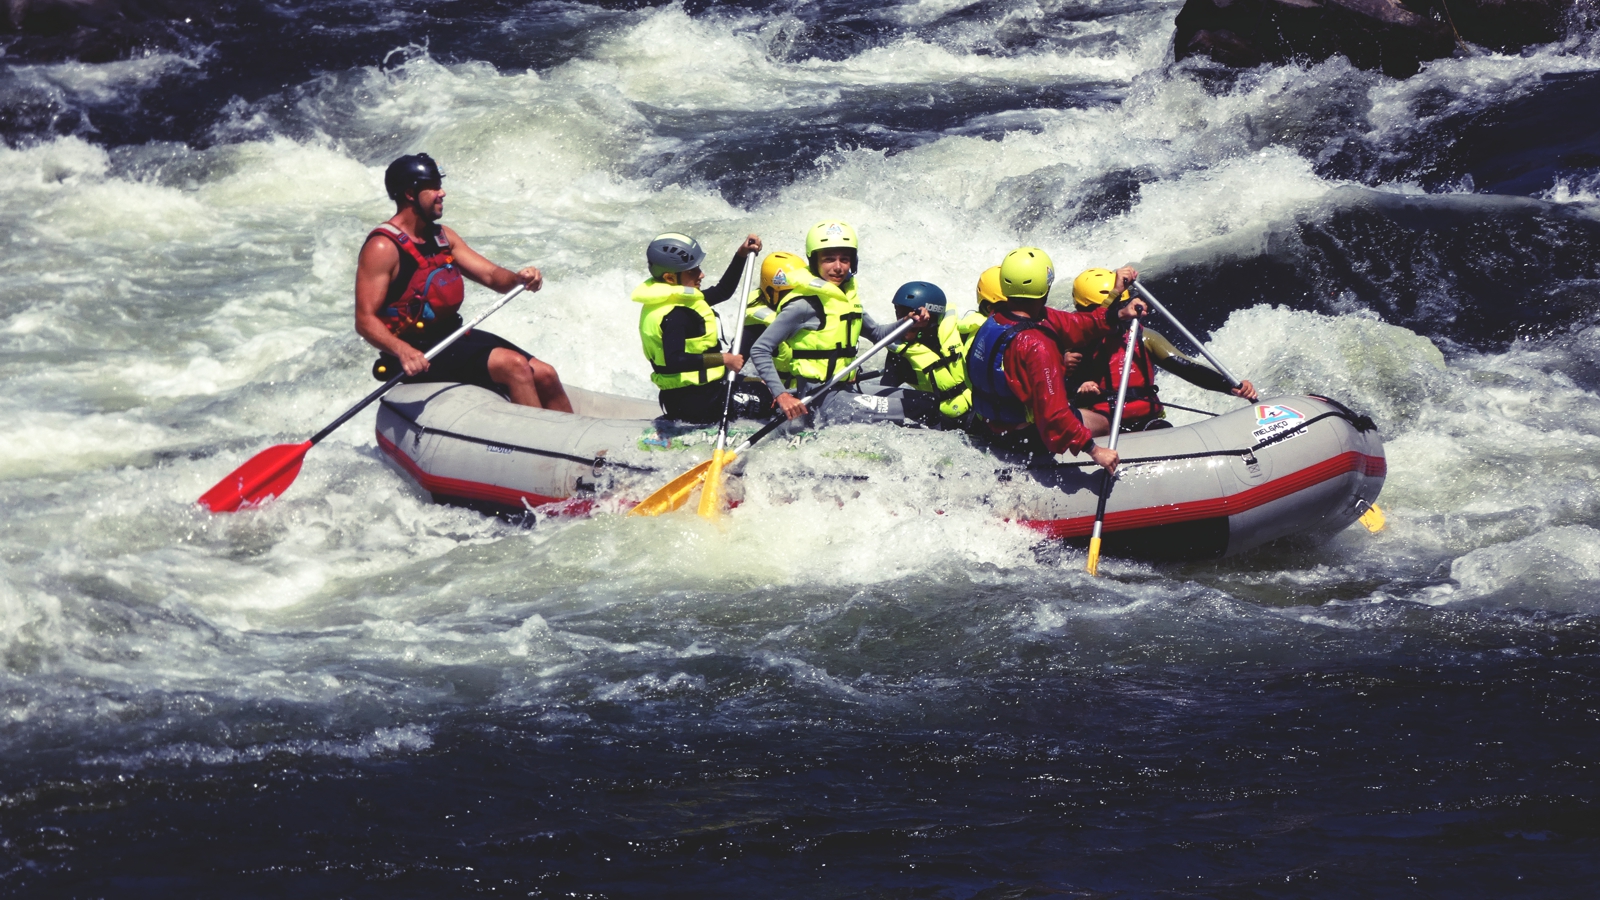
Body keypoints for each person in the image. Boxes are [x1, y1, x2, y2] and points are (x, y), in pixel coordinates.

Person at [356, 153, 572, 411]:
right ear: (410, 194)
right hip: (419, 352)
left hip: (453, 338)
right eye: (433, 186)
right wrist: (403, 351)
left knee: (545, 374)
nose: (442, 193)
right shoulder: (382, 247)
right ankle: (538, 446)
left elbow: (492, 276)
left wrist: (519, 279)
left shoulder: (442, 237)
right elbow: (365, 320)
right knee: (514, 366)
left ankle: (573, 444)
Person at [965, 247, 1147, 473]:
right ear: (1046, 285)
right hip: (1026, 436)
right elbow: (1054, 413)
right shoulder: (1037, 346)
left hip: (994, 425)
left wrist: (1119, 312)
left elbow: (1078, 324)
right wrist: (1094, 450)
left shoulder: (997, 319)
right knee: (1106, 422)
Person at [750, 220, 930, 423]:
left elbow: (878, 335)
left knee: (927, 400)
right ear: (815, 262)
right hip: (818, 400)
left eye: (844, 259)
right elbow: (760, 349)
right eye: (829, 260)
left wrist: (908, 322)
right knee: (917, 408)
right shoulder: (803, 305)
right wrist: (781, 395)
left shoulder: (845, 301)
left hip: (843, 388)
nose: (837, 267)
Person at [1068, 267, 1257, 435]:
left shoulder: (1143, 337)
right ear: (1081, 311)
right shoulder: (1074, 343)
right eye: (1107, 308)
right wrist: (1078, 391)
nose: (1114, 314)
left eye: (1119, 305)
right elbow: (1058, 389)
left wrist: (1229, 385)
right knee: (1070, 419)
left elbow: (1187, 367)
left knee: (1160, 430)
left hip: (1147, 422)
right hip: (1102, 422)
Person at [632, 231, 767, 424]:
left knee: (761, 384)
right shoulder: (675, 315)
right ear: (670, 278)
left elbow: (723, 291)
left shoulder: (678, 299)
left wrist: (741, 255)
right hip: (695, 402)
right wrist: (725, 359)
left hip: (702, 390)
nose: (701, 274)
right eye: (692, 271)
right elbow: (675, 360)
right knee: (767, 399)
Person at [878, 281, 980, 429]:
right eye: (899, 312)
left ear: (930, 316)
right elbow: (885, 392)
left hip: (980, 411)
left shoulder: (960, 336)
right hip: (943, 420)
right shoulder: (901, 354)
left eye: (909, 313)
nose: (903, 319)